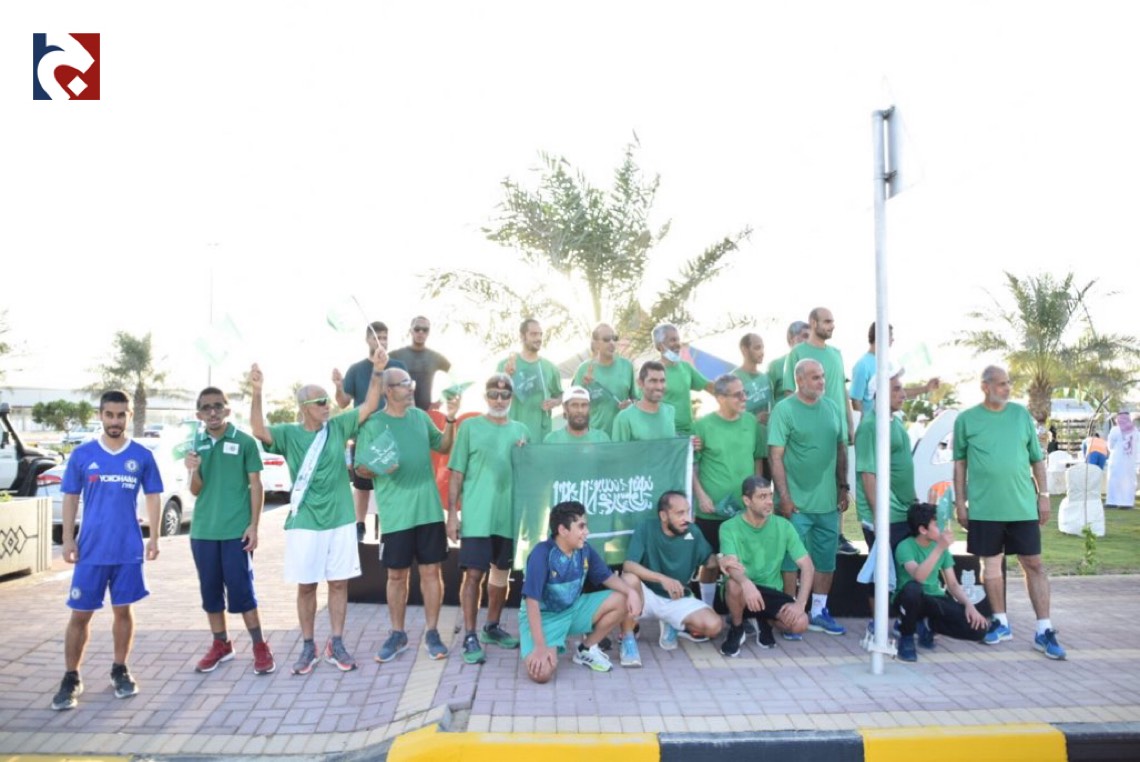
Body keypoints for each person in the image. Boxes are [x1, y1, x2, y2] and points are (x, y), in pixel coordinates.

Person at [250, 349, 386, 675]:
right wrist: (257, 391)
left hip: (340, 519)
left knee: (339, 584)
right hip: (305, 521)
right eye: (321, 402)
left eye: (327, 400)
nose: (328, 405)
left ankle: (336, 642)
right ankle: (308, 645)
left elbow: (369, 405)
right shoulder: (289, 433)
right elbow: (258, 429)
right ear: (304, 408)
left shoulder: (337, 427)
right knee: (307, 586)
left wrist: (379, 370)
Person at [51, 390, 163, 711]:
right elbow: (71, 497)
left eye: (121, 415)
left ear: (129, 416)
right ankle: (71, 677)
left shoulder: (142, 456)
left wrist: (154, 538)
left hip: (128, 549)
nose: (115, 421)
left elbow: (153, 496)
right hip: (91, 551)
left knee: (123, 611)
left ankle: (120, 669)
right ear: (100, 415)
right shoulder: (82, 455)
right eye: (109, 414)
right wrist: (68, 539)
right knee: (80, 614)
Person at [953, 365, 1066, 659]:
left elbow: (1037, 459)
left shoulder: (1020, 416)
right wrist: (960, 503)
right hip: (984, 509)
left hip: (1022, 507)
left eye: (1008, 383)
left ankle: (1044, 630)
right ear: (985, 387)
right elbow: (960, 464)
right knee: (990, 566)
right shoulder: (966, 420)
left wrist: (1043, 496)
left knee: (1034, 564)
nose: (1007, 388)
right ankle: (1000, 622)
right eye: (1002, 384)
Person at [355, 367, 460, 663]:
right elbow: (360, 468)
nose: (411, 388)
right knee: (396, 576)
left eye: (410, 382)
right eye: (404, 384)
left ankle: (432, 632)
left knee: (431, 572)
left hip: (428, 511)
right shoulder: (373, 424)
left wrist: (451, 418)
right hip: (396, 515)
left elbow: (444, 445)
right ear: (388, 391)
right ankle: (398, 634)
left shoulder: (420, 417)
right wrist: (376, 467)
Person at [184, 387, 275, 676]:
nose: (212, 412)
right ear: (199, 414)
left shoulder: (244, 441)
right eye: (206, 408)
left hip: (236, 531)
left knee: (243, 591)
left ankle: (259, 646)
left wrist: (254, 526)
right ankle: (221, 644)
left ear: (227, 409)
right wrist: (192, 469)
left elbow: (256, 485)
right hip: (203, 532)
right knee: (210, 593)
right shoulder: (195, 444)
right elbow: (196, 490)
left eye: (217, 406)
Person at [447, 374, 530, 665]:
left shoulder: (521, 431)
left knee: (501, 574)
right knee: (473, 575)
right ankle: (470, 635)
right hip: (477, 516)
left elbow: (531, 474)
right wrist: (452, 514)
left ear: (511, 398)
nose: (499, 400)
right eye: (493, 394)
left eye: (504, 395)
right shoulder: (469, 427)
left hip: (508, 517)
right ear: (485, 397)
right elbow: (456, 473)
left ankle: (491, 627)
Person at [768, 358, 849, 637]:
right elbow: (775, 457)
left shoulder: (832, 407)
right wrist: (784, 497)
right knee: (791, 561)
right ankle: (790, 613)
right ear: (799, 380)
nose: (821, 381)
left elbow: (841, 448)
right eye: (815, 377)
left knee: (826, 560)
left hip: (828, 504)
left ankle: (818, 611)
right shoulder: (784, 409)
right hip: (796, 505)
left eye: (822, 376)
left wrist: (843, 486)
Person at [519, 501, 641, 683]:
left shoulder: (585, 550)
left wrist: (631, 592)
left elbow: (607, 577)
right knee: (541, 674)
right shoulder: (541, 553)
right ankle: (545, 645)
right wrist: (540, 647)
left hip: (572, 610)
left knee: (623, 598)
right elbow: (531, 602)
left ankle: (586, 650)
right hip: (545, 618)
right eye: (581, 526)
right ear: (563, 530)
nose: (587, 532)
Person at [618, 491, 724, 666]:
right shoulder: (646, 528)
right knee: (628, 579)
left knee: (714, 626)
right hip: (646, 595)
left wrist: (723, 560)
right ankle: (628, 640)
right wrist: (662, 579)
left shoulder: (693, 531)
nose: (687, 518)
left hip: (677, 596)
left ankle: (672, 622)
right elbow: (629, 565)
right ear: (663, 516)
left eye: (688, 512)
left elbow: (709, 560)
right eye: (680, 513)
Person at [718, 476, 814, 656]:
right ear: (747, 501)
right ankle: (737, 629)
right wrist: (747, 583)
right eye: (762, 497)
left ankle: (763, 622)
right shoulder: (728, 527)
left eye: (770, 495)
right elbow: (730, 566)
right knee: (733, 584)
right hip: (741, 590)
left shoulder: (784, 526)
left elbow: (807, 565)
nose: (769, 501)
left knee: (800, 623)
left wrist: (800, 604)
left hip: (771, 590)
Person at [692, 374, 764, 609]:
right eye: (737, 394)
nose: (744, 398)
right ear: (720, 398)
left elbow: (757, 459)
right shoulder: (702, 425)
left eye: (744, 392)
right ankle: (707, 608)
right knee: (711, 563)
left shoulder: (751, 422)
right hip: (711, 511)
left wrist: (758, 496)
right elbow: (692, 465)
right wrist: (701, 496)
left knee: (743, 564)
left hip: (744, 512)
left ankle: (743, 617)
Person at [332, 320, 408, 541]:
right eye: (376, 337)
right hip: (363, 435)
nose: (381, 341)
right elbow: (343, 402)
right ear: (367, 339)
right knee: (362, 485)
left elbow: (407, 397)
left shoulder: (398, 366)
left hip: (392, 435)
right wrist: (338, 386)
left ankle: (392, 528)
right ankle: (359, 526)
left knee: (392, 484)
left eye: (384, 337)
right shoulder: (356, 369)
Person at [893, 503, 992, 662]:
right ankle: (907, 638)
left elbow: (952, 584)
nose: (942, 528)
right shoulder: (905, 546)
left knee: (979, 629)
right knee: (912, 589)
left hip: (934, 599)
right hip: (910, 598)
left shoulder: (942, 548)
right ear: (923, 530)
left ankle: (928, 625)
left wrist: (970, 605)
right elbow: (919, 577)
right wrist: (939, 548)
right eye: (936, 524)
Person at [854, 367, 916, 553]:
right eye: (896, 389)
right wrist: (878, 516)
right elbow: (867, 474)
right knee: (885, 570)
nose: (903, 394)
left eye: (902, 388)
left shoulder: (896, 421)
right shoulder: (870, 426)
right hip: (886, 516)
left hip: (902, 513)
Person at [780, 308, 853, 444]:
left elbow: (842, 390)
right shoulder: (796, 353)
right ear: (814, 323)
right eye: (827, 322)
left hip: (839, 432)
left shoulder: (836, 354)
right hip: (812, 433)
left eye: (832, 322)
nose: (832, 326)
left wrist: (850, 425)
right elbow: (789, 393)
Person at [497, 318, 563, 443]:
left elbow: (561, 395)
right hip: (512, 436)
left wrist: (555, 402)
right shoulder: (505, 365)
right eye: (533, 334)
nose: (538, 338)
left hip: (541, 437)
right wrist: (506, 376)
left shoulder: (550, 368)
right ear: (522, 336)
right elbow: (494, 397)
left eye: (540, 334)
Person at [572, 323, 637, 437]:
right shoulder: (584, 369)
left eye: (614, 338)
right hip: (596, 438)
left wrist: (631, 404)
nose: (612, 343)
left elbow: (637, 399)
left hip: (624, 436)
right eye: (606, 339)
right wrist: (584, 385)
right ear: (596, 344)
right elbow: (571, 405)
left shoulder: (627, 366)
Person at [652, 322, 714, 436]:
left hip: (689, 433)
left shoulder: (686, 367)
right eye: (672, 340)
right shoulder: (652, 371)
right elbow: (641, 403)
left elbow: (710, 387)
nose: (677, 344)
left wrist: (734, 395)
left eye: (678, 340)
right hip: (666, 434)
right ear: (660, 346)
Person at [390, 316, 452, 412]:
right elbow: (378, 378)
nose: (421, 332)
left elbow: (457, 378)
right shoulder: (396, 355)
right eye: (417, 329)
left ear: (428, 333)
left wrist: (441, 401)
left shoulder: (435, 357)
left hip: (425, 413)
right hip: (399, 412)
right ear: (411, 331)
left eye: (425, 330)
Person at [612, 361, 677, 442]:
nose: (659, 387)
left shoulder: (670, 411)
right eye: (653, 381)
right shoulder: (624, 418)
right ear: (640, 383)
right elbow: (618, 449)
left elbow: (673, 445)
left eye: (662, 381)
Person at [543, 386, 611, 444]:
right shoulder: (552, 440)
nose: (580, 410)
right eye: (574, 405)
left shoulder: (602, 439)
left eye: (584, 405)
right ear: (565, 408)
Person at [767, 320, 810, 401]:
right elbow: (767, 397)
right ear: (791, 339)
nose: (809, 340)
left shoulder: (816, 366)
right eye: (805, 336)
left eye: (811, 337)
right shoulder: (776, 366)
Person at [1106, 412, 1139, 508]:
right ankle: (1127, 503)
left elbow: (1110, 446)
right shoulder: (1135, 431)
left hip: (1117, 460)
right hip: (1130, 461)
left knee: (1114, 480)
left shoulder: (1115, 430)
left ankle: (1112, 502)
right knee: (1128, 482)